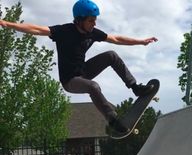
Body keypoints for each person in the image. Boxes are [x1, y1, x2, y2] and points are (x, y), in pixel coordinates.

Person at [0, 0, 158, 134]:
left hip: (84, 72)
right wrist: (7, 23)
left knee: (111, 55)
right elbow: (36, 29)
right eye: (91, 20)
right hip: (70, 81)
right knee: (93, 87)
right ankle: (112, 119)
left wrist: (141, 41)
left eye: (95, 20)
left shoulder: (92, 32)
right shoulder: (63, 31)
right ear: (79, 19)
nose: (94, 24)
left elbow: (116, 38)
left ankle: (135, 87)